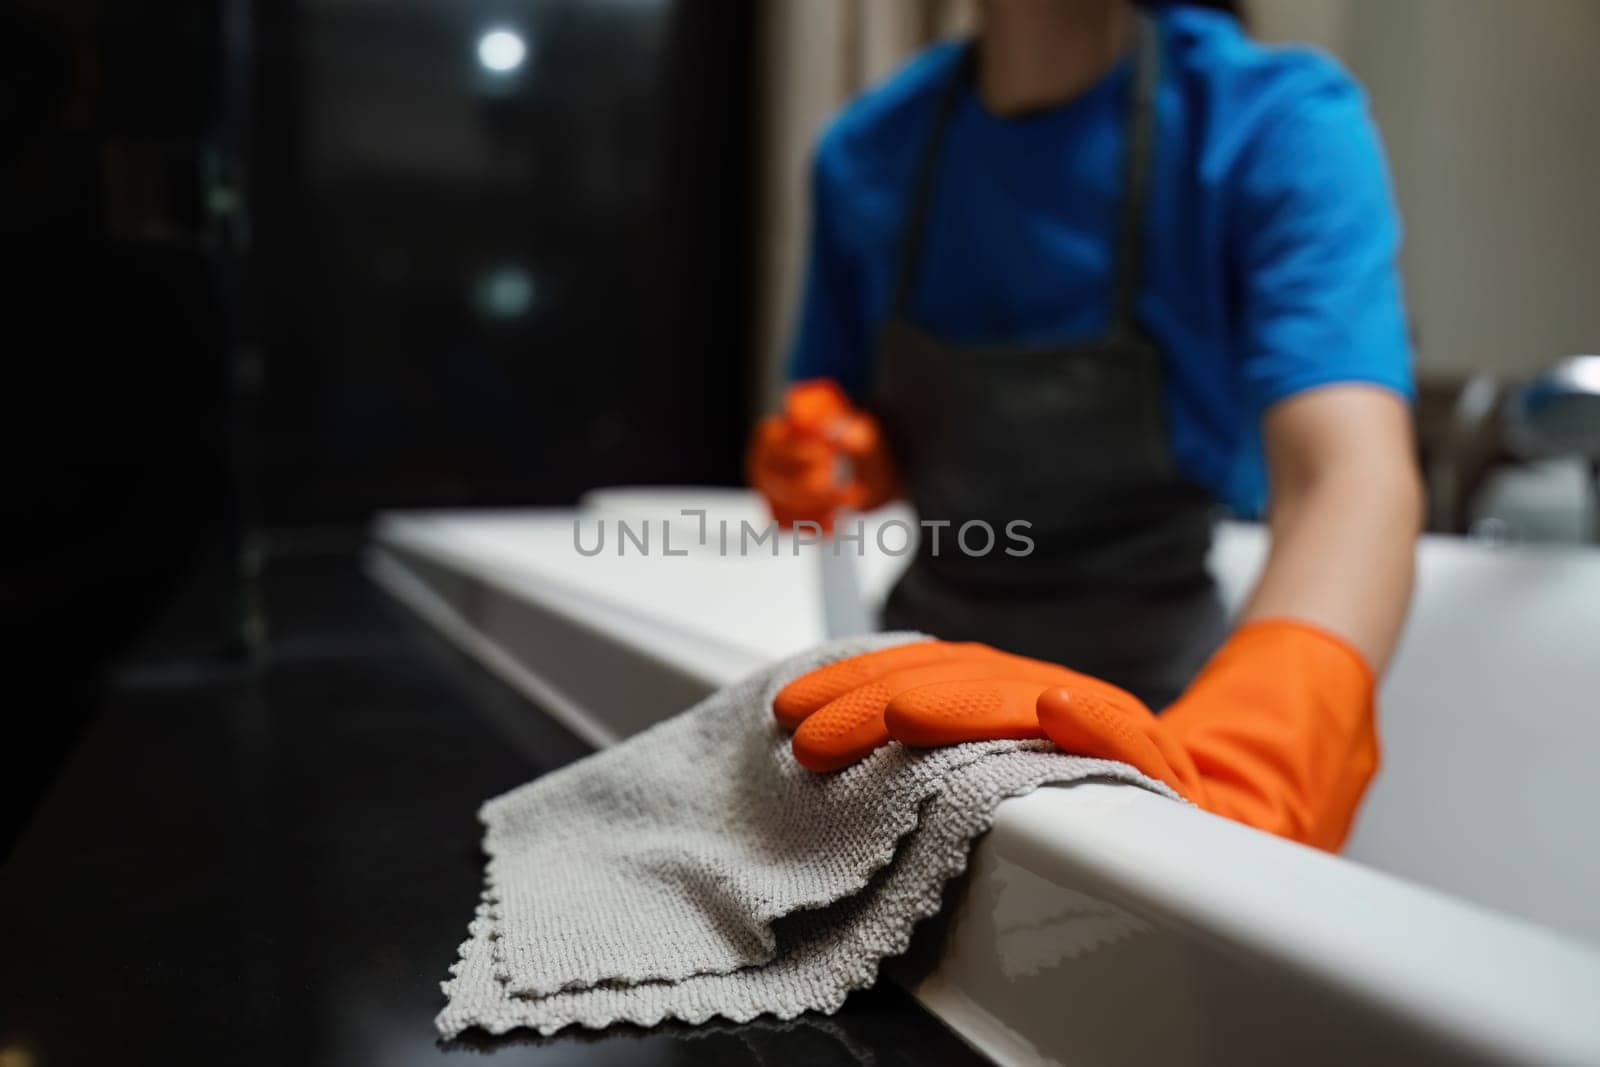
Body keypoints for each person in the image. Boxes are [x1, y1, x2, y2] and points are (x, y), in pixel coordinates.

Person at [747, 0, 1424, 849]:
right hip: (909, 718)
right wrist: (837, 460)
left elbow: (1348, 477)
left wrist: (1259, 756)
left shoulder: (1270, 127)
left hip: (1168, 728)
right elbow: (844, 411)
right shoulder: (867, 154)